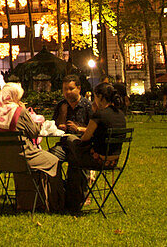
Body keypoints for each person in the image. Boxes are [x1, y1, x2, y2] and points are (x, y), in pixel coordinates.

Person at [50, 83, 127, 212]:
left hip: (97, 159)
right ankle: (76, 198)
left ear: (100, 97)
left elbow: (85, 138)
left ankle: (65, 197)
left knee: (70, 140)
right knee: (73, 159)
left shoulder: (99, 115)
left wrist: (76, 131)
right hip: (114, 159)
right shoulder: (120, 114)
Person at [0, 82, 62, 211]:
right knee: (53, 160)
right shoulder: (19, 112)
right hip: (24, 158)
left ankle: (29, 201)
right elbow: (34, 132)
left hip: (1, 161)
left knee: (36, 163)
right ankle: (55, 202)